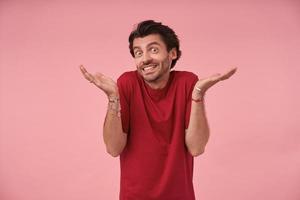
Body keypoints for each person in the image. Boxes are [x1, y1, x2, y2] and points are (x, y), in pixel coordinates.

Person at [80, 20, 237, 200]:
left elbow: (196, 148)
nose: (145, 58)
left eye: (153, 49)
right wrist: (112, 97)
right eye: (138, 53)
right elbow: (113, 148)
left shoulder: (187, 82)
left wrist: (198, 94)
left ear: (172, 53)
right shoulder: (127, 83)